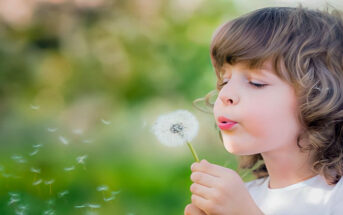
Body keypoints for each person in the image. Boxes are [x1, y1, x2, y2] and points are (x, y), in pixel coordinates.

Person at [185, 5, 343, 215]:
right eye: (225, 81)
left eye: (256, 82)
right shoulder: (241, 196)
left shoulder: (335, 198)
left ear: (322, 95)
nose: (225, 95)